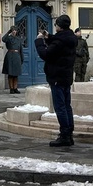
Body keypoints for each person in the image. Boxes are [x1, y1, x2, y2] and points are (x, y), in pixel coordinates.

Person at [34, 15, 78, 147]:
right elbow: (60, 41)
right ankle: (69, 133)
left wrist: (39, 41)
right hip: (66, 76)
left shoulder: (60, 41)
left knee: (60, 107)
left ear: (59, 25)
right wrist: (49, 36)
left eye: (56, 24)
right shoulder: (71, 37)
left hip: (57, 76)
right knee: (67, 106)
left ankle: (64, 135)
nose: (55, 26)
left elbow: (46, 54)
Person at [2, 26, 23, 93]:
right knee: (10, 74)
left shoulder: (18, 39)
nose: (14, 31)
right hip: (10, 56)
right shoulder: (8, 38)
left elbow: (21, 50)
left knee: (16, 74)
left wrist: (22, 58)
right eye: (13, 30)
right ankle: (11, 88)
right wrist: (8, 32)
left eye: (15, 30)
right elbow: (3, 39)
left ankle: (15, 88)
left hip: (17, 56)